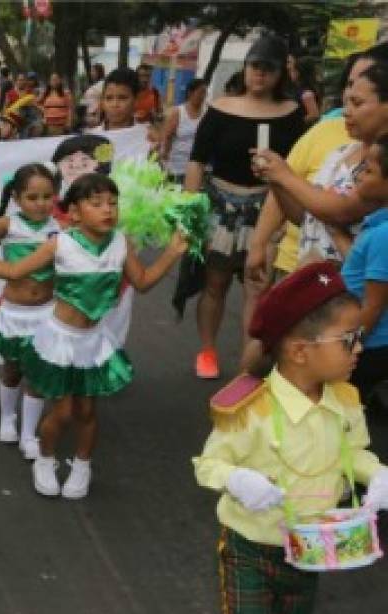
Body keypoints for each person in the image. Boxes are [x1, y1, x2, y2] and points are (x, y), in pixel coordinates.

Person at [192, 261, 388, 614]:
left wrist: (377, 474)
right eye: (349, 339)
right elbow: (207, 464)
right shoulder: (248, 408)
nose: (359, 349)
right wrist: (238, 480)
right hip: (250, 546)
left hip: (311, 549)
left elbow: (357, 450)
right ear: (300, 350)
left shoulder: (345, 400)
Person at [0, 173, 187, 499]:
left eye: (113, 203)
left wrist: (173, 252)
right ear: (74, 212)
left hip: (93, 343)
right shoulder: (59, 242)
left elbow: (143, 281)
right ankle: (45, 461)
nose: (108, 210)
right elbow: (15, 271)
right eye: (97, 203)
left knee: (87, 413)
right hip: (58, 340)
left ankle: (82, 465)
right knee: (61, 413)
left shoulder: (121, 243)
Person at [184, 34, 305, 380]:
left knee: (258, 287)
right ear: (245, 68)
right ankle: (207, 350)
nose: (260, 74)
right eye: (255, 66)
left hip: (269, 207)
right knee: (215, 283)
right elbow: (197, 160)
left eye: (269, 68)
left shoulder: (291, 114)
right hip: (221, 205)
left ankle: (246, 365)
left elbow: (297, 165)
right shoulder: (221, 107)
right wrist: (190, 210)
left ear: (281, 73)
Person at [246, 46, 388, 289]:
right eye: (348, 89)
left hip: (350, 295)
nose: (345, 110)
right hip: (313, 284)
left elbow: (338, 210)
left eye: (358, 102)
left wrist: (284, 174)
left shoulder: (381, 166)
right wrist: (276, 180)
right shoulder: (343, 152)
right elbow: (307, 217)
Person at [0, 164, 62, 459]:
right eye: (32, 197)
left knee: (38, 376)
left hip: (47, 314)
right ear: (17, 198)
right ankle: (8, 419)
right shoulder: (8, 224)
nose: (41, 203)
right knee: (12, 370)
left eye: (47, 196)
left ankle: (29, 434)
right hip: (15, 315)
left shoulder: (60, 228)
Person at [330, 132, 388, 403]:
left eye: (370, 169)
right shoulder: (378, 225)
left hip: (368, 344)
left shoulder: (384, 234)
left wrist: (346, 350)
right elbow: (363, 269)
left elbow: (373, 306)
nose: (360, 173)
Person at [160, 78, 207, 182]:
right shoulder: (177, 113)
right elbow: (167, 137)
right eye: (200, 92)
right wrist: (165, 157)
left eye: (205, 93)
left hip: (195, 165)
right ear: (190, 93)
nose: (203, 96)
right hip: (176, 165)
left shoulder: (206, 113)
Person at [287, 54, 321, 125]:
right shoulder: (297, 89)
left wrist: (295, 122)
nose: (290, 73)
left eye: (292, 70)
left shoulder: (306, 94)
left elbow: (314, 115)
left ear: (298, 73)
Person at [81, 63, 106, 128]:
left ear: (99, 72)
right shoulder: (93, 85)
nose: (91, 73)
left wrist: (98, 115)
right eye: (91, 71)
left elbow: (103, 99)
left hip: (97, 115)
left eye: (93, 71)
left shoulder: (102, 84)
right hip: (89, 114)